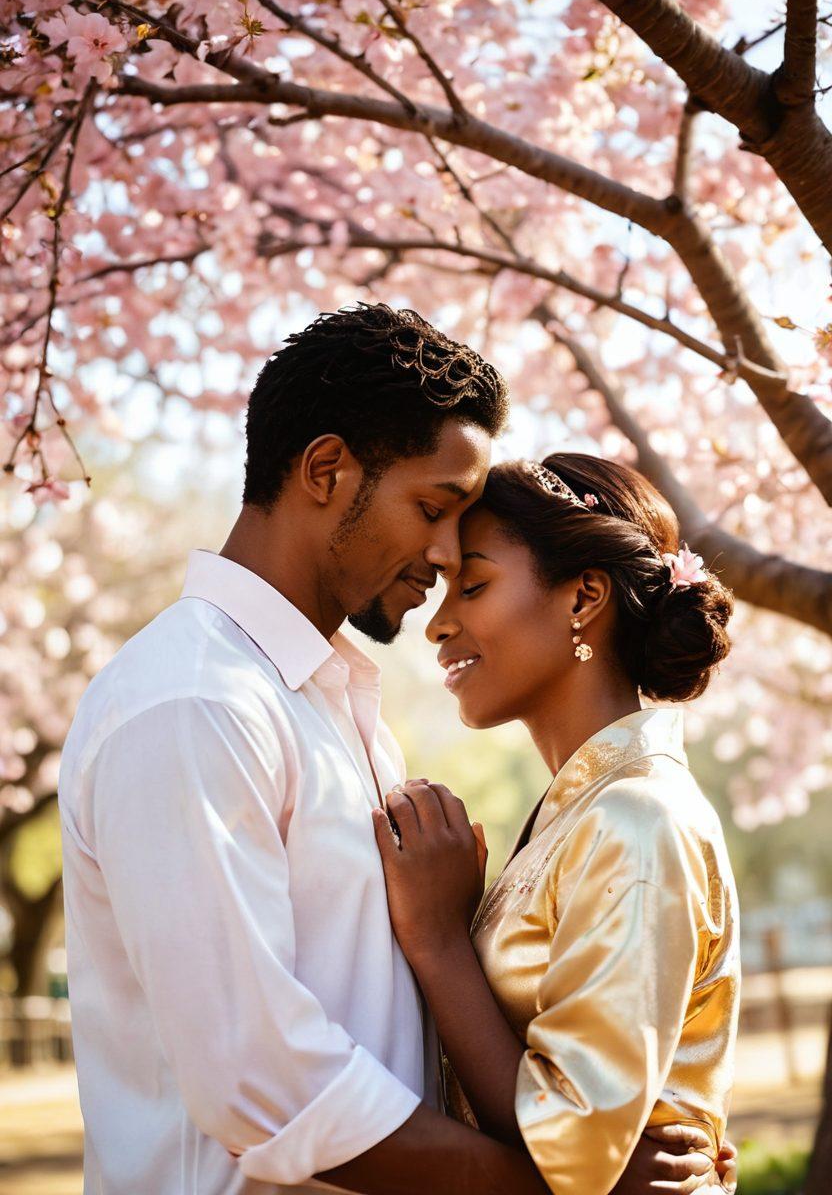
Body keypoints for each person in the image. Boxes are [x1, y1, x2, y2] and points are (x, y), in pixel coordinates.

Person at [59, 307, 731, 1195]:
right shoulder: (195, 704)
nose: (446, 551)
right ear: (326, 471)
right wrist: (558, 1185)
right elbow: (261, 1085)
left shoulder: (342, 711)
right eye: (433, 507)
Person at [374, 453, 741, 1195]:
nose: (438, 625)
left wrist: (440, 941)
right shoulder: (581, 812)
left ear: (584, 597)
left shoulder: (638, 818)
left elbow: (572, 1138)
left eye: (472, 585)